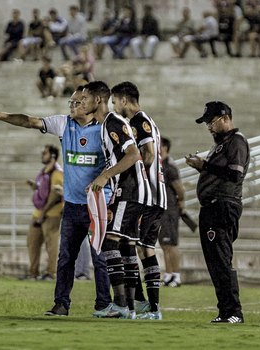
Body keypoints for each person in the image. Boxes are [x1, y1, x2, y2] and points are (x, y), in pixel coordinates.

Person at [0, 86, 112, 317]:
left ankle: (104, 305)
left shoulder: (106, 128)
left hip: (98, 204)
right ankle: (61, 304)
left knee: (100, 257)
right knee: (65, 256)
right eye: (72, 102)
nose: (73, 106)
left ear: (91, 104)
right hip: (71, 205)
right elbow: (29, 121)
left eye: (78, 102)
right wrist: (0, 115)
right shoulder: (63, 124)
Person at [84, 81, 152, 319]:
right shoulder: (107, 125)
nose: (82, 104)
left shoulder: (112, 122)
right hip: (132, 190)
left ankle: (121, 305)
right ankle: (133, 306)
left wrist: (105, 175)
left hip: (130, 189)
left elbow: (134, 155)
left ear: (98, 101)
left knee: (109, 242)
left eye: (85, 99)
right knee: (126, 245)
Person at [185, 101, 250, 324]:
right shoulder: (222, 144)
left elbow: (235, 175)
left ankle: (234, 312)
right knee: (215, 261)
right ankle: (225, 311)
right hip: (212, 207)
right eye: (207, 124)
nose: (209, 128)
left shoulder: (237, 142)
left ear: (224, 118)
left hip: (222, 206)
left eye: (211, 122)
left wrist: (204, 166)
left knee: (221, 260)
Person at [109, 81, 166, 320]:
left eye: (114, 101)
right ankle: (143, 303)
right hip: (155, 196)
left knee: (139, 248)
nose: (114, 106)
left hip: (148, 196)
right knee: (138, 246)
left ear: (124, 100)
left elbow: (150, 153)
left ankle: (152, 308)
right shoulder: (147, 119)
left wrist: (139, 176)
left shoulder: (137, 122)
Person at [25, 145, 63, 281]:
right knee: (32, 242)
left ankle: (51, 273)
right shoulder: (44, 171)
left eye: (44, 153)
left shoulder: (57, 173)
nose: (42, 155)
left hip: (52, 214)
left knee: (51, 244)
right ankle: (33, 272)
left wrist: (43, 213)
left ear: (52, 156)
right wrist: (34, 187)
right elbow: (44, 190)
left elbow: (56, 195)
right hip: (38, 212)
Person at [158, 137, 185, 288]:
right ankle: (168, 275)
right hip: (161, 210)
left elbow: (180, 189)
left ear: (165, 147)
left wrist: (181, 203)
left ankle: (176, 276)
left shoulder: (170, 167)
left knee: (172, 244)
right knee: (164, 244)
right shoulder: (159, 165)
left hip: (169, 211)